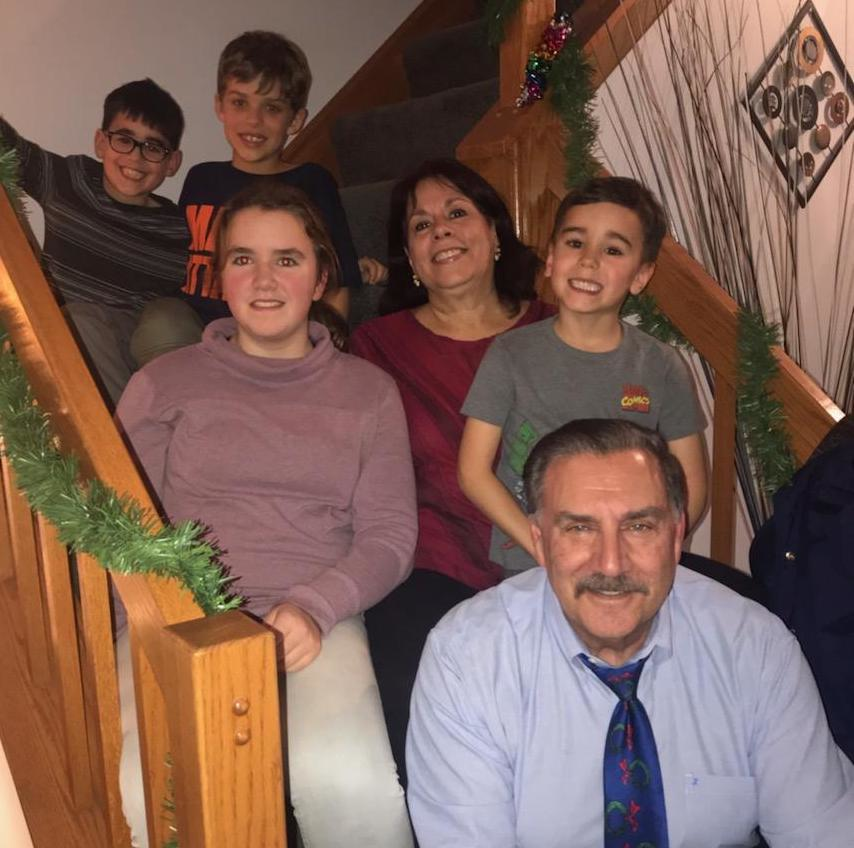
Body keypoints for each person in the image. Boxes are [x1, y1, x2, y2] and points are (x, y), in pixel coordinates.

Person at [116, 182, 416, 848]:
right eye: (243, 258)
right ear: (218, 274)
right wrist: (159, 622)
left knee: (351, 783)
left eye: (287, 258)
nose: (264, 278)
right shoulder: (162, 384)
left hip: (315, 618)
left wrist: (315, 605)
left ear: (320, 274)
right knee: (143, 794)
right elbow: (122, 530)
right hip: (180, 621)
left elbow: (391, 536)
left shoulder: (369, 392)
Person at [408, 418, 854, 847]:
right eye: (580, 528)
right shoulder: (467, 660)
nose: (611, 564)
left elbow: (821, 832)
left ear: (677, 533)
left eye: (639, 526)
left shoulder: (754, 648)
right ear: (540, 542)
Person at [349, 158, 554, 788]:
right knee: (420, 696)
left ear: (495, 232)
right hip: (433, 565)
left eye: (457, 213)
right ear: (409, 257)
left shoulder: (555, 326)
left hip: (555, 557)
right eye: (421, 224)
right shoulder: (374, 347)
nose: (440, 230)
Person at [459, 176, 708, 575]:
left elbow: (691, 485)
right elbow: (472, 471)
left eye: (612, 249)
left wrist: (653, 547)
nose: (589, 260)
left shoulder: (662, 366)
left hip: (627, 566)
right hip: (532, 563)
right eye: (575, 243)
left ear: (641, 275)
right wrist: (539, 544)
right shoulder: (510, 355)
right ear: (553, 258)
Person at [0, 79, 199, 405]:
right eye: (124, 140)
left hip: (146, 350)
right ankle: (121, 446)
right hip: (82, 348)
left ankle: (189, 429)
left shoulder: (181, 229)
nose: (136, 158)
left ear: (172, 162)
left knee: (171, 316)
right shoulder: (68, 180)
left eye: (153, 147)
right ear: (100, 143)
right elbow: (12, 149)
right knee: (81, 321)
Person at [179, 29, 380, 325]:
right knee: (161, 321)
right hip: (197, 336)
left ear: (296, 120)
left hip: (271, 335)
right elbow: (172, 261)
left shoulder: (312, 182)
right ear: (219, 105)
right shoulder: (200, 178)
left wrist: (324, 348)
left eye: (272, 108)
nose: (253, 120)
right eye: (239, 102)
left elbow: (337, 285)